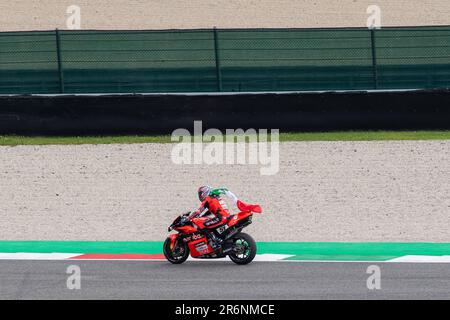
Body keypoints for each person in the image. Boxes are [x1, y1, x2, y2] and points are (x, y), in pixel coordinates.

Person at [191, 186, 261, 250]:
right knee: (208, 224)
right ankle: (220, 240)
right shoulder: (216, 197)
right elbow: (209, 212)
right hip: (226, 217)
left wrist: (189, 217)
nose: (200, 196)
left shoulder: (207, 199)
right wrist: (201, 216)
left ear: (204, 192)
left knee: (202, 225)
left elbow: (198, 211)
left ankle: (215, 242)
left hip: (220, 218)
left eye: (200, 194)